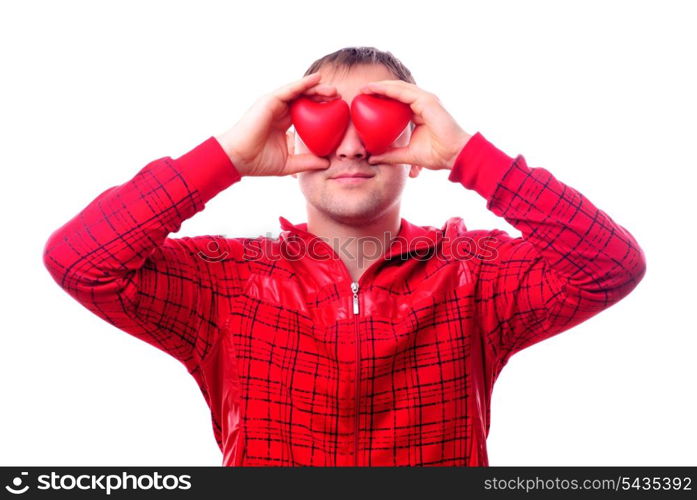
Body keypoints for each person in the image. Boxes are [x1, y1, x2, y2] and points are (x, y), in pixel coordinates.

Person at [42, 46, 647, 466]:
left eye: (379, 122)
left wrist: (466, 152)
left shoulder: (474, 274)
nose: (353, 147)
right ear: (292, 140)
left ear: (415, 150)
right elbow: (81, 262)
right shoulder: (229, 283)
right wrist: (227, 156)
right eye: (330, 122)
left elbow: (609, 267)